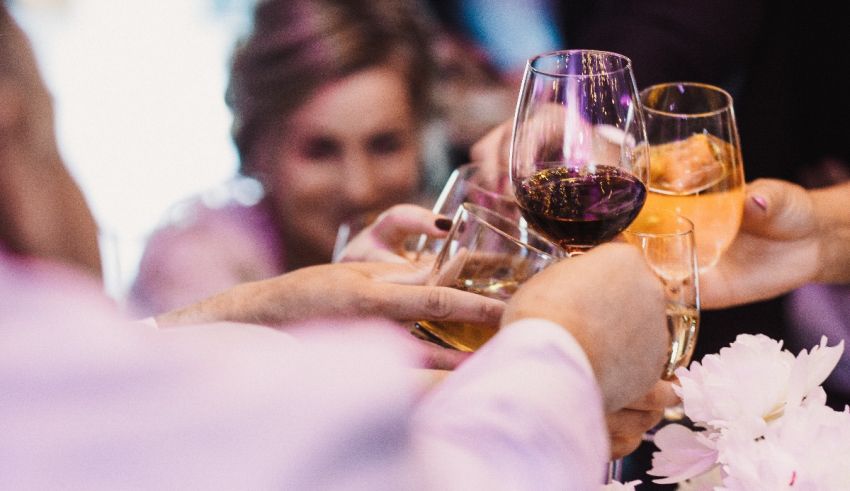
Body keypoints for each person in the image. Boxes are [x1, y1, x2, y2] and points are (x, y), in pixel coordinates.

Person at [2, 6, 680, 487]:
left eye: (384, 143)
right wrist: (562, 347)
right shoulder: (188, 261)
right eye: (319, 148)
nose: (358, 184)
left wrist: (274, 310)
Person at [129, 0, 441, 314]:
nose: (360, 190)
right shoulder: (197, 266)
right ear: (259, 150)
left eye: (385, 145)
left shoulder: (443, 250)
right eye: (320, 151)